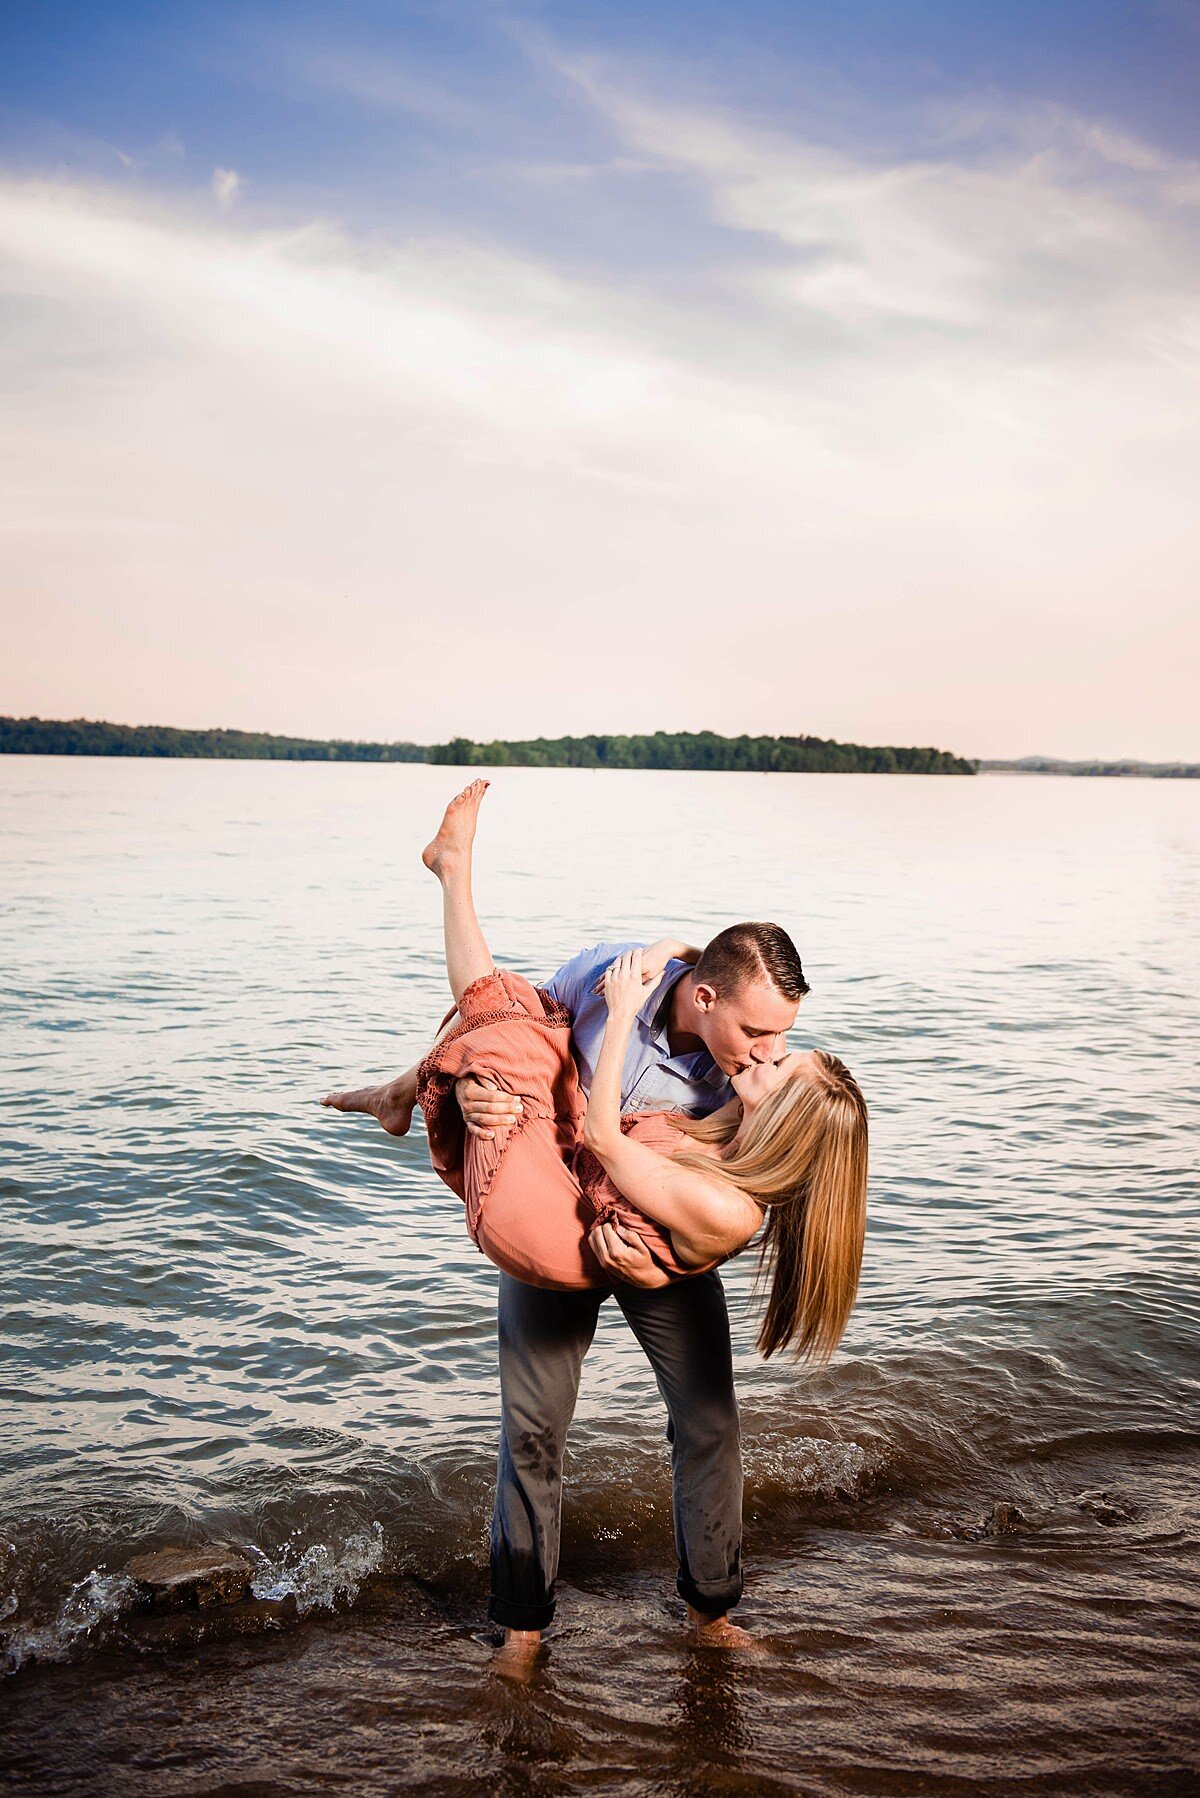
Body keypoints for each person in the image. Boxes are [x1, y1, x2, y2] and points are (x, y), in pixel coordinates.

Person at [324, 780, 868, 1671]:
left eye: (782, 1036)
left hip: (665, 1234)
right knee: (534, 1426)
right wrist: (475, 1088)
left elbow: (774, 1166)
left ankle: (713, 1609)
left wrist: (663, 1265)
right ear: (704, 999)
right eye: (759, 1030)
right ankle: (524, 1626)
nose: (770, 1050)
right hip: (558, 1199)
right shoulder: (609, 978)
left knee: (709, 1424)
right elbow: (509, 1025)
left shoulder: (759, 1076)